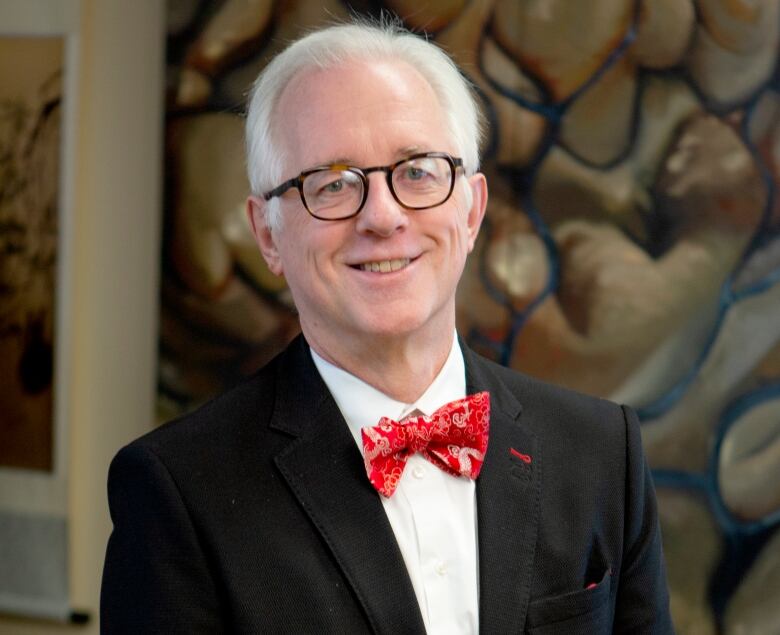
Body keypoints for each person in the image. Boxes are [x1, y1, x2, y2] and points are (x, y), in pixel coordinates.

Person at [100, 18, 674, 634]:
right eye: (332, 184)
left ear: (472, 209)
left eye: (418, 171)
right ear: (268, 235)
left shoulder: (602, 455)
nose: (382, 216)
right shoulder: (178, 494)